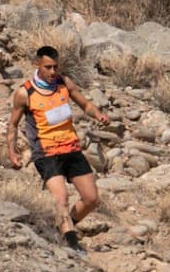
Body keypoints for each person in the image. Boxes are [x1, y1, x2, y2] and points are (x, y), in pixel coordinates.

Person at [7, 45, 110, 252]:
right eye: (48, 67)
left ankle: (65, 226)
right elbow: (13, 124)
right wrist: (12, 151)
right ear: (37, 64)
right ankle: (71, 242)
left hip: (71, 148)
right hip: (46, 153)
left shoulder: (64, 83)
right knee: (61, 198)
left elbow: (86, 105)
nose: (53, 72)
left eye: (55, 67)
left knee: (91, 199)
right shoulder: (25, 93)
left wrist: (98, 114)